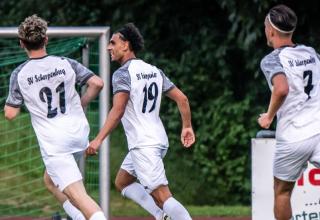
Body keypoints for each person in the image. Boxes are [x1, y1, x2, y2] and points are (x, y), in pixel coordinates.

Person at [86, 23, 195, 220]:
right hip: (157, 140)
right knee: (123, 182)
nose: (109, 47)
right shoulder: (154, 70)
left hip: (143, 145)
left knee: (163, 196)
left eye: (113, 43)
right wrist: (187, 126)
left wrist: (98, 140)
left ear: (126, 45)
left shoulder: (122, 74)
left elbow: (118, 110)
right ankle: (162, 216)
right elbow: (182, 99)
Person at [4, 15, 107, 220]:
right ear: (46, 40)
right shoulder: (66, 62)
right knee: (50, 181)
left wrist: (30, 99)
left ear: (22, 43)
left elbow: (10, 113)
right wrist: (81, 103)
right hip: (79, 136)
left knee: (80, 196)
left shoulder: (20, 74)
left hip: (56, 144)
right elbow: (97, 83)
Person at [258, 4, 320, 220]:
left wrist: (268, 116)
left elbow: (281, 88)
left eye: (265, 26)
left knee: (282, 192)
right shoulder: (311, 53)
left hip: (294, 136)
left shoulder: (272, 59)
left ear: (271, 30)